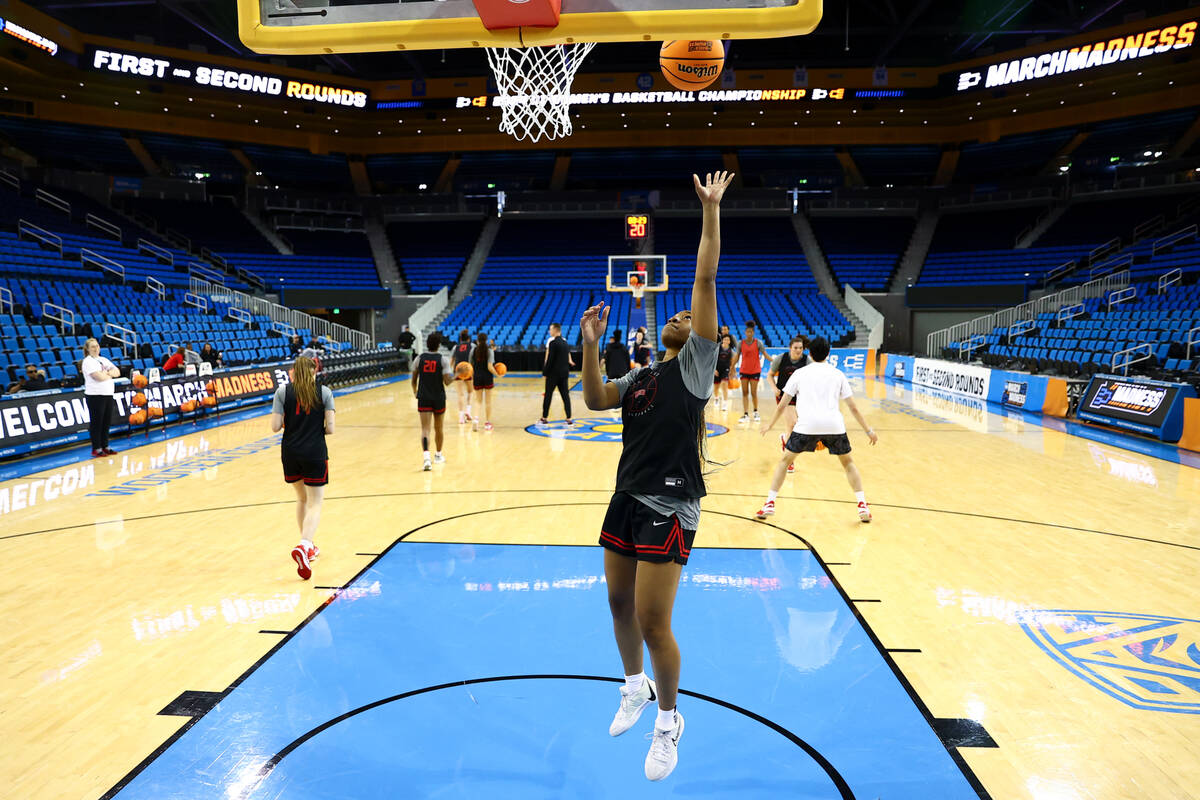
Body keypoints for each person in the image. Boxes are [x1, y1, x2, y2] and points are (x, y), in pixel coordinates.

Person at [581, 169, 733, 782]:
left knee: (652, 621)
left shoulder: (695, 367)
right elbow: (592, 400)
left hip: (670, 503)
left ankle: (669, 721)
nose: (677, 316)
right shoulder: (642, 376)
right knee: (617, 603)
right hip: (626, 497)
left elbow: (702, 276)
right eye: (671, 316)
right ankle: (634, 685)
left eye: (687, 317)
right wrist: (590, 344)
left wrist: (710, 209)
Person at [757, 336, 878, 523]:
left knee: (784, 462)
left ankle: (770, 503)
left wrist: (770, 425)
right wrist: (868, 430)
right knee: (848, 463)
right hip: (834, 426)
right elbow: (853, 407)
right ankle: (862, 504)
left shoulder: (799, 374)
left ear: (810, 353)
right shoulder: (838, 374)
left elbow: (782, 405)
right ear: (828, 353)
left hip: (806, 426)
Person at [270, 355, 336, 581]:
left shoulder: (282, 392)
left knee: (301, 500)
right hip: (315, 451)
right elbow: (331, 429)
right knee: (316, 503)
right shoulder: (324, 392)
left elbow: (275, 427)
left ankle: (308, 547)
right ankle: (305, 544)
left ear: (293, 372)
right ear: (314, 371)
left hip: (290, 452)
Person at [412, 332, 454, 471]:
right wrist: (458, 375)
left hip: (423, 396)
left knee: (425, 430)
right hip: (438, 397)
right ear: (438, 345)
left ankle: (426, 459)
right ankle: (438, 455)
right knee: (438, 428)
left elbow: (413, 380)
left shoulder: (419, 358)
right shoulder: (443, 360)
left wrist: (415, 391)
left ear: (427, 344)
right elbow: (447, 382)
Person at [768, 335, 809, 472]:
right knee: (792, 423)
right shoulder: (781, 358)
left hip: (800, 396)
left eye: (801, 348)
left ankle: (785, 439)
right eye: (796, 348)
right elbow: (770, 375)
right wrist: (774, 388)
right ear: (790, 348)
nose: (798, 350)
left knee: (795, 425)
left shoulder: (806, 361)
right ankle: (789, 461)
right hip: (784, 396)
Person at [81, 338, 120, 457]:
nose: (96, 348)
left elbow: (117, 372)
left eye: (97, 346)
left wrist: (106, 374)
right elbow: (98, 377)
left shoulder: (103, 359)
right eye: (92, 347)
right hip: (95, 395)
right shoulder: (87, 361)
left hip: (108, 394)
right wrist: (109, 374)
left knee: (106, 422)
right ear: (87, 349)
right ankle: (96, 448)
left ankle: (105, 445)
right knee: (97, 422)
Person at [540, 322, 575, 425]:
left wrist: (545, 372)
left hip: (553, 374)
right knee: (565, 396)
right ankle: (569, 418)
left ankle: (544, 417)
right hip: (564, 374)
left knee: (548, 395)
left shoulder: (552, 343)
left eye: (550, 329)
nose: (549, 331)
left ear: (555, 330)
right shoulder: (565, 343)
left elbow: (550, 360)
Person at [733, 321, 767, 424]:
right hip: (744, 370)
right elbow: (737, 356)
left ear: (753, 332)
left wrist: (775, 362)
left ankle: (756, 412)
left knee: (753, 392)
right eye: (747, 332)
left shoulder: (758, 343)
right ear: (745, 332)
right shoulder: (740, 343)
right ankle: (746, 414)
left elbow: (765, 354)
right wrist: (731, 367)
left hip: (755, 370)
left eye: (751, 332)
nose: (749, 333)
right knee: (744, 392)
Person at [470, 331, 498, 432]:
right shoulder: (489, 351)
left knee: (477, 400)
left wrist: (472, 376)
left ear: (477, 340)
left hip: (477, 377)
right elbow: (490, 367)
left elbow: (470, 366)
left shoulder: (473, 351)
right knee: (488, 401)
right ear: (486, 340)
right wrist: (497, 374)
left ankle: (476, 420)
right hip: (487, 377)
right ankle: (487, 423)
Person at [451, 330, 473, 423]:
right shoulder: (472, 346)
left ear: (460, 339)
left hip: (458, 370)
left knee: (460, 394)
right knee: (470, 391)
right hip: (468, 370)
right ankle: (468, 411)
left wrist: (449, 371)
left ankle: (461, 417)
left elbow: (452, 360)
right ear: (468, 339)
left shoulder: (456, 347)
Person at [713, 334, 735, 412]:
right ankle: (716, 398)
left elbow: (732, 362)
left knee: (724, 385)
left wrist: (732, 371)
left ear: (729, 341)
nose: (726, 341)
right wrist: (714, 369)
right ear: (722, 340)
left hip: (726, 369)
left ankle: (725, 403)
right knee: (716, 387)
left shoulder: (731, 351)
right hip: (717, 369)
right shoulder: (717, 348)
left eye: (728, 340)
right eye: (725, 339)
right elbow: (712, 359)